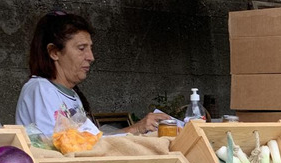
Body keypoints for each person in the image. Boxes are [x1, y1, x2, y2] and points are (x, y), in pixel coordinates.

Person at [15, 11, 171, 137]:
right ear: (54, 52)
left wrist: (137, 129)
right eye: (82, 48)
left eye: (90, 48)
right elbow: (60, 146)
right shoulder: (40, 89)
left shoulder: (72, 95)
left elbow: (92, 141)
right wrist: (135, 129)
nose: (91, 57)